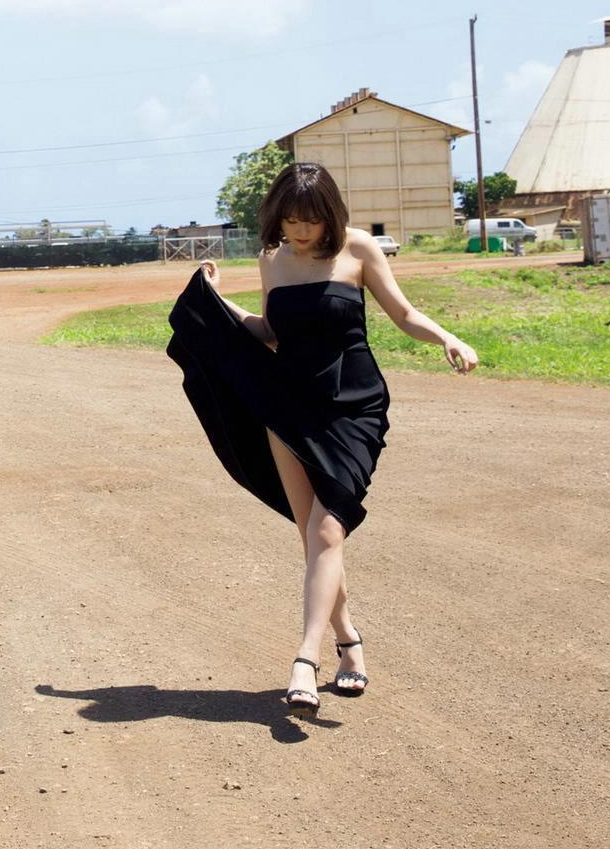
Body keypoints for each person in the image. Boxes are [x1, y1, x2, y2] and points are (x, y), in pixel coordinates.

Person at [164, 162, 479, 716]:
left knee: (329, 526)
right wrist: (216, 303)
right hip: (289, 406)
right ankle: (349, 645)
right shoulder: (272, 260)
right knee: (316, 538)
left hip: (354, 405)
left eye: (309, 220)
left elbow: (403, 314)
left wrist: (447, 337)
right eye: (289, 221)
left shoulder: (359, 250)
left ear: (329, 214)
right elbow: (270, 333)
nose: (299, 231)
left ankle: (304, 660)